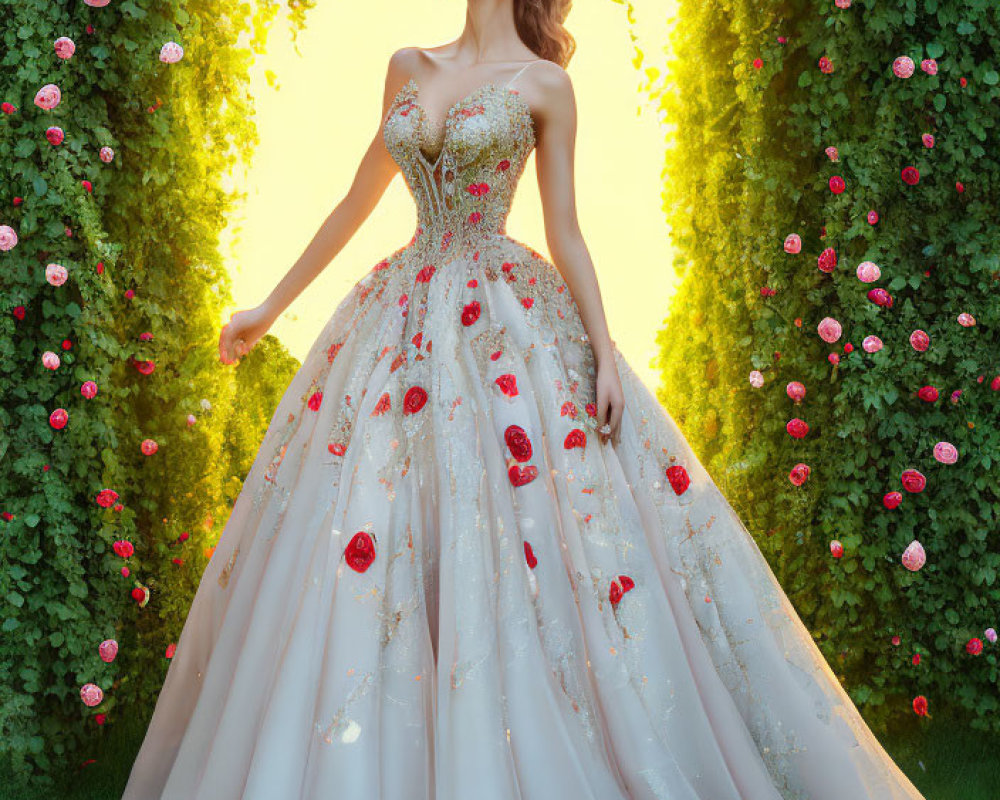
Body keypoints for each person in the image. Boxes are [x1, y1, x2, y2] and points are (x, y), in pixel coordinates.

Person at [121, 1, 928, 798]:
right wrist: (268, 308)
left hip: (500, 321)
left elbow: (565, 226)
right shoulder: (407, 65)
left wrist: (604, 354)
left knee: (508, 524)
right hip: (398, 316)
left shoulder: (544, 84)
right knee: (382, 515)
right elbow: (356, 201)